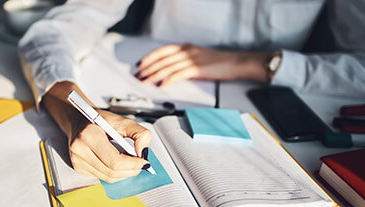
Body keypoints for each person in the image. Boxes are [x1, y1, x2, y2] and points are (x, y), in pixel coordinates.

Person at [18, 0, 365, 182]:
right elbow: (52, 32)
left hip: (276, 127)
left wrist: (255, 63)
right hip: (149, 92)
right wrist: (73, 112)